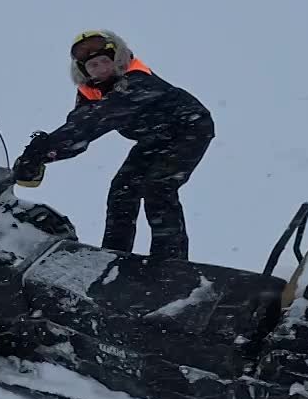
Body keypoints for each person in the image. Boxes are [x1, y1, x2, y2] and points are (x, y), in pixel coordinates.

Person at [13, 29, 215, 262]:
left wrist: (43, 149)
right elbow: (78, 131)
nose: (99, 68)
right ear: (83, 71)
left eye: (104, 62)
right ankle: (112, 258)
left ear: (117, 61)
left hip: (189, 127)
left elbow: (97, 120)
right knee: (122, 189)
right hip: (154, 139)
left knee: (158, 187)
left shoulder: (136, 81)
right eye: (92, 66)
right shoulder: (92, 94)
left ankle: (171, 261)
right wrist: (41, 153)